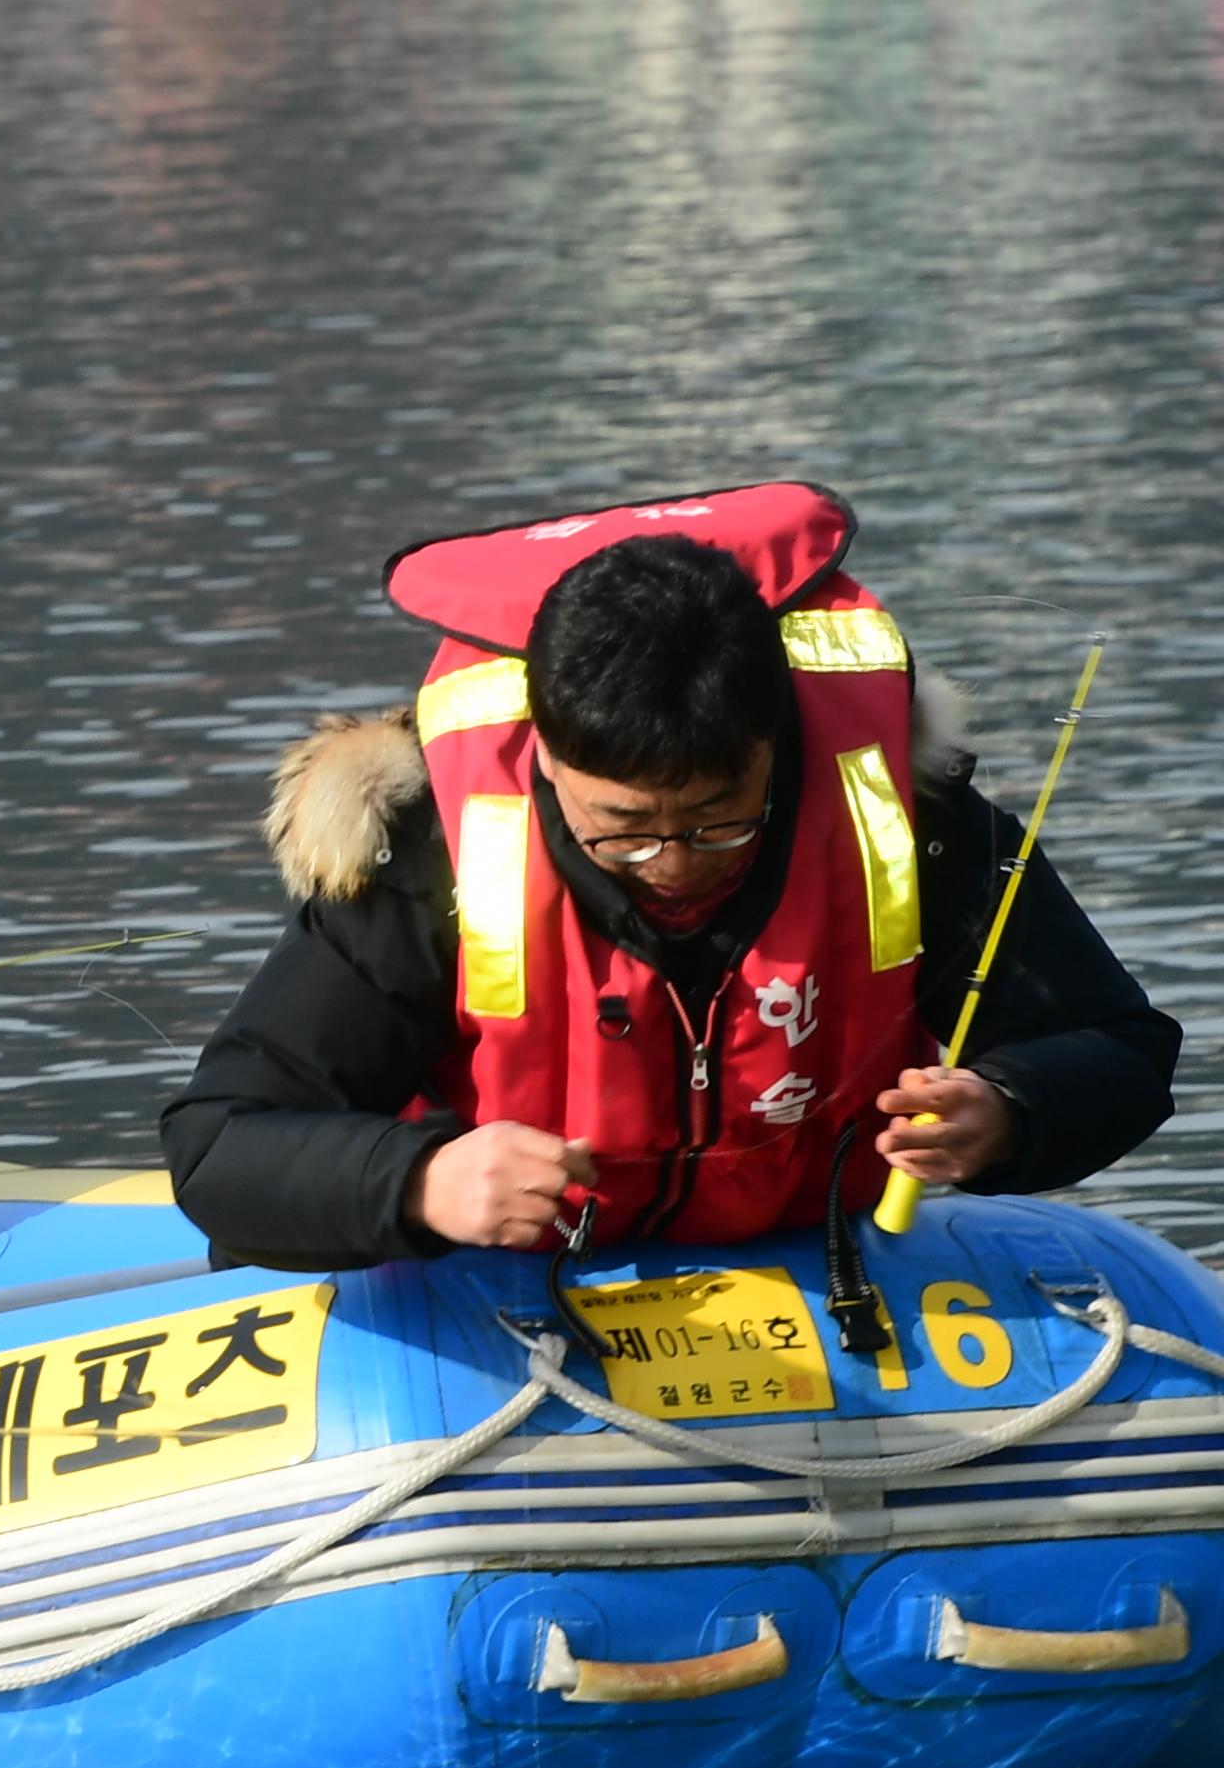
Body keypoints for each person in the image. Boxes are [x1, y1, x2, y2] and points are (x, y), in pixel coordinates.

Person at [163, 484, 1176, 1271]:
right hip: (500, 1303)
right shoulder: (434, 855)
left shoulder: (899, 813)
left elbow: (1125, 1048)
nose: (676, 863)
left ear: (776, 747)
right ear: (548, 760)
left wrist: (1008, 1106)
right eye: (625, 830)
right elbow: (221, 1141)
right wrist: (424, 1179)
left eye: (719, 820)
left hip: (816, 1274)